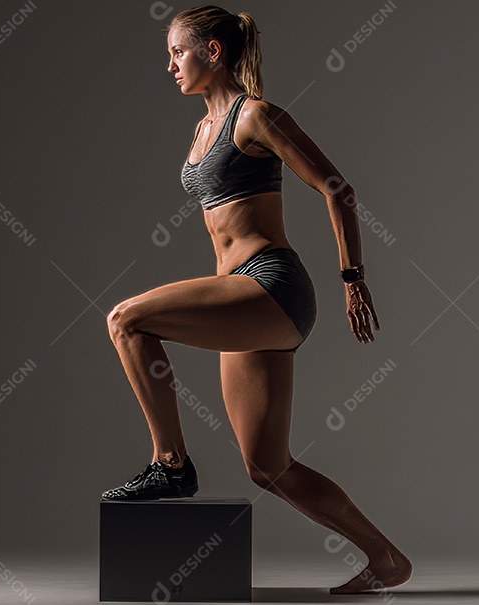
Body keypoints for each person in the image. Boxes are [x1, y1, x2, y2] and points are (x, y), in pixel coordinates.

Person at [99, 5, 412, 594]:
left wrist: (353, 276)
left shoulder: (255, 116)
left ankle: (170, 465)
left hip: (269, 284)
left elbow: (336, 187)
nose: (168, 65)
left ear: (212, 52)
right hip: (245, 294)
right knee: (267, 466)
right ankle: (387, 559)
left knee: (127, 320)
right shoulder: (202, 129)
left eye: (177, 52)